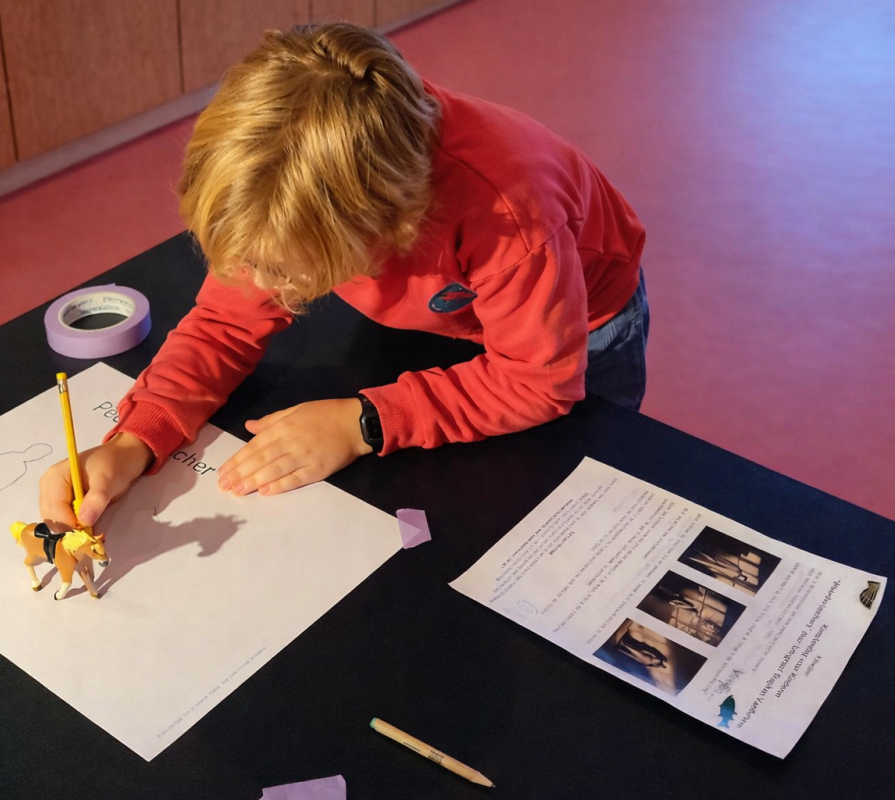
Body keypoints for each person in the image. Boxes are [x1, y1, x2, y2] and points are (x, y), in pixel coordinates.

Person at [39, 22, 648, 532]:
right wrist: (132, 441)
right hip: (444, 309)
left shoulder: (512, 216)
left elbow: (537, 384)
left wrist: (362, 422)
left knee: (563, 497)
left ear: (388, 228)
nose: (260, 284)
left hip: (585, 324)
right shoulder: (304, 189)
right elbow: (226, 321)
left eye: (281, 270)